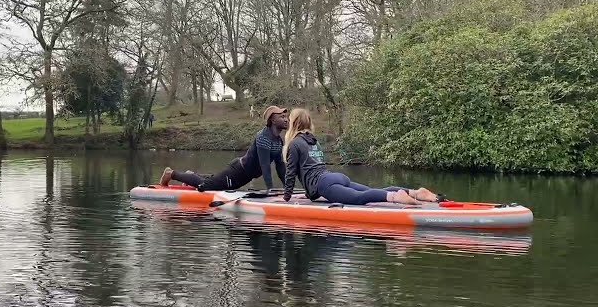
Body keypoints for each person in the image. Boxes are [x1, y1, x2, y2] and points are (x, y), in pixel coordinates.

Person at [282, 108, 438, 205]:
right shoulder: (314, 142)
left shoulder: (295, 144)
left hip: (325, 184)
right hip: (335, 177)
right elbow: (312, 169)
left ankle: (396, 197)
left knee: (360, 198)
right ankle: (416, 193)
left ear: (293, 123)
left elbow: (291, 173)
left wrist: (287, 197)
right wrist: (308, 194)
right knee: (372, 190)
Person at [160, 106, 289, 192]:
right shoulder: (263, 137)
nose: (286, 119)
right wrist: (271, 191)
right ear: (272, 120)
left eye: (286, 116)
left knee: (215, 181)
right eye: (282, 117)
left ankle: (190, 175)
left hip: (245, 176)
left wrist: (287, 188)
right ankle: (171, 174)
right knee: (207, 187)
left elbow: (280, 166)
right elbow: (265, 166)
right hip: (237, 172)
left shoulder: (278, 140)